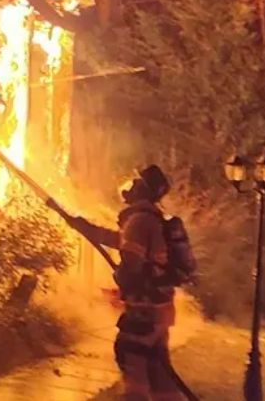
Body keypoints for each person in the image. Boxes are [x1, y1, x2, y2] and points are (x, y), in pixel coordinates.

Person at [66, 164, 185, 401]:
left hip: (143, 312)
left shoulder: (139, 220)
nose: (130, 185)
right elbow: (120, 240)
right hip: (159, 312)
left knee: (132, 362)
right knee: (159, 374)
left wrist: (122, 282)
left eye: (136, 181)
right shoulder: (151, 219)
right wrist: (85, 228)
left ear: (143, 189)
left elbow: (131, 263)